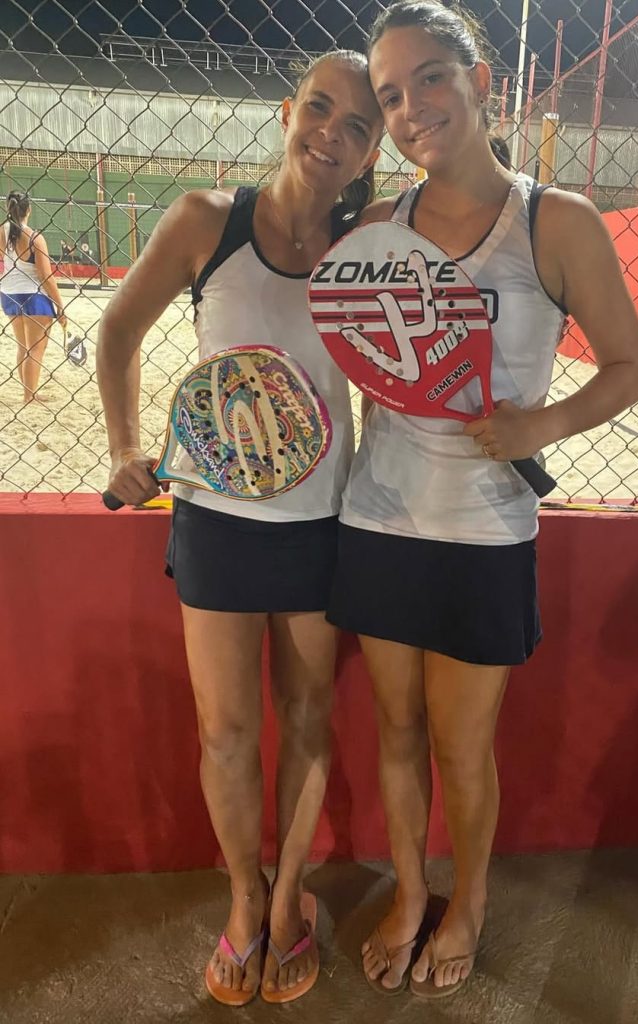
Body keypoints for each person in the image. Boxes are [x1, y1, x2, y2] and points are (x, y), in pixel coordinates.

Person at [326, 0, 638, 999]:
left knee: (462, 747)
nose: (412, 107)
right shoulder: (377, 229)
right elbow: (367, 363)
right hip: (379, 519)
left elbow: (629, 369)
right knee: (396, 733)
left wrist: (537, 425)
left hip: (485, 530)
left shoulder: (556, 221)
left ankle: (468, 903)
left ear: (479, 80)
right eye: (391, 95)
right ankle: (411, 895)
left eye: (430, 77)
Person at [96, 51, 381, 1006]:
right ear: (286, 111)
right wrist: (124, 445)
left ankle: (291, 897)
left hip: (321, 525)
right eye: (319, 109)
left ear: (372, 152)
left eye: (357, 125)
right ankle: (245, 898)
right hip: (215, 522)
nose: (331, 133)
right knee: (225, 730)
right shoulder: (206, 222)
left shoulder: (371, 244)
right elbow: (118, 332)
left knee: (305, 720)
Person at [1, 192, 66, 403]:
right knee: (36, 348)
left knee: (23, 346)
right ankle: (30, 395)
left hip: (9, 292)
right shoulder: (35, 238)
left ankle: (28, 392)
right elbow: (45, 275)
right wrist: (60, 306)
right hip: (33, 295)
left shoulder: (2, 232)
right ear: (28, 209)